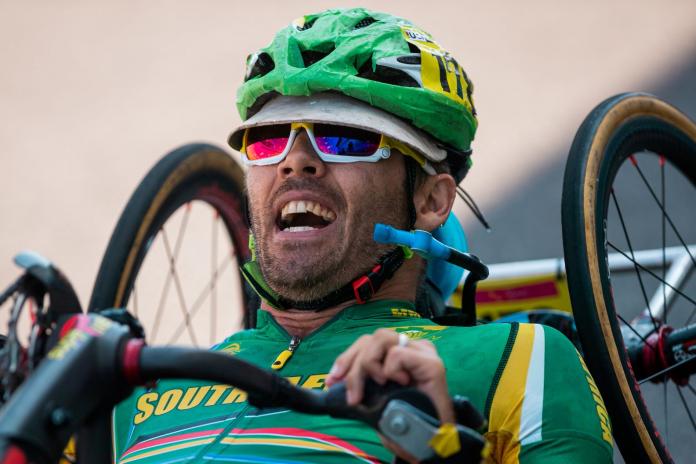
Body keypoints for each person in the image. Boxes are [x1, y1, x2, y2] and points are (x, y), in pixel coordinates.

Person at [112, 8, 614, 463]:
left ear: (432, 201)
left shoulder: (516, 358)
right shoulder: (140, 384)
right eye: (268, 139)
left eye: (347, 138)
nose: (295, 160)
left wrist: (438, 452)